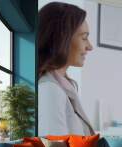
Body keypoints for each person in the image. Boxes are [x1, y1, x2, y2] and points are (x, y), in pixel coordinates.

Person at [38, 2, 94, 136]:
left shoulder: (65, 86)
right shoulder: (49, 90)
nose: (90, 46)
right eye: (84, 38)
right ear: (62, 39)